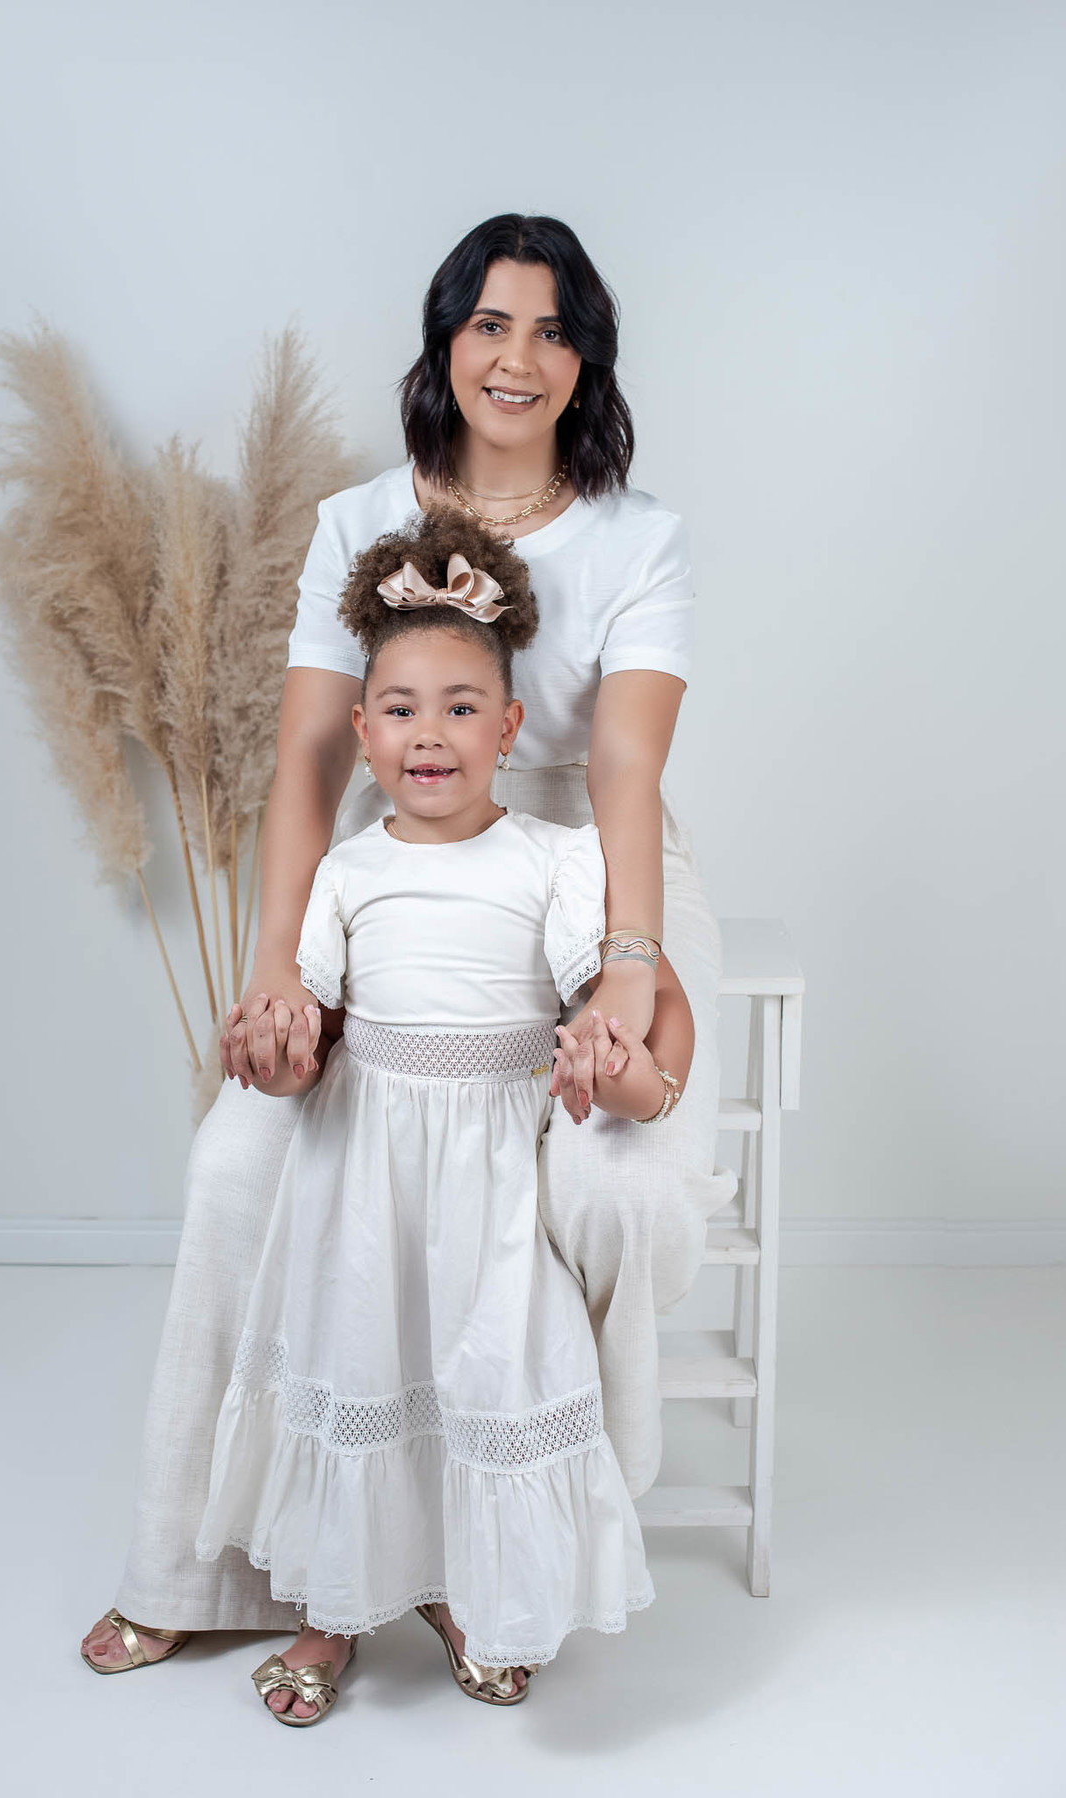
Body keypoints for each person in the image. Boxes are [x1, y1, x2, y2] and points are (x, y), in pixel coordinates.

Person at [81, 212, 736, 1683]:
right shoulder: (358, 517)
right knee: (236, 1162)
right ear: (446, 341)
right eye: (490, 322)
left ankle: (520, 1535)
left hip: (595, 861)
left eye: (554, 331)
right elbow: (316, 758)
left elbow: (622, 767)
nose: (519, 356)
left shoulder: (638, 535)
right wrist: (278, 967)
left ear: (587, 363)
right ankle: (203, 1560)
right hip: (403, 865)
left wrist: (628, 963)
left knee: (610, 1181)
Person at [192, 505, 694, 1721]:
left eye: (463, 707)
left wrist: (610, 1060)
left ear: (510, 729)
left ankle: (468, 1590)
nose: (431, 733)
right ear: (363, 733)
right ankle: (330, 1610)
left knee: (482, 1379)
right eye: (403, 709)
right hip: (364, 1179)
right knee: (361, 1364)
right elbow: (308, 1034)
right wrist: (271, 1052)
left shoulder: (556, 861)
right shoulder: (345, 873)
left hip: (492, 1180)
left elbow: (630, 1025)